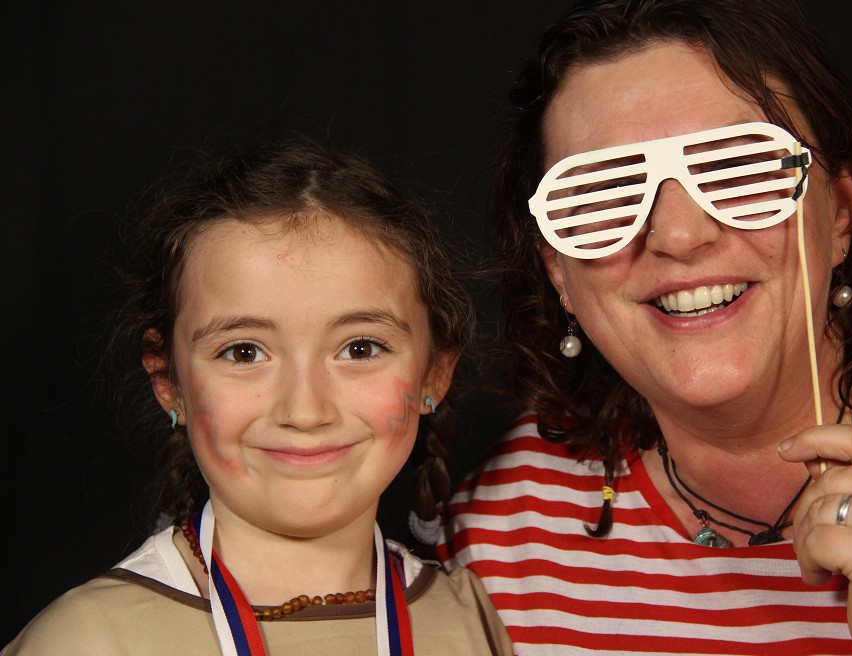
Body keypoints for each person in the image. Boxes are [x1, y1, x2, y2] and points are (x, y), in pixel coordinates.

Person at [437, 0, 852, 654]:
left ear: (838, 212)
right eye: (607, 191)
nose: (678, 235)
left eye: (736, 167)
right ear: (559, 272)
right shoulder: (500, 534)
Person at [3, 132, 514, 655]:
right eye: (244, 352)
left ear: (435, 374)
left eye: (360, 348)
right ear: (168, 382)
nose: (304, 410)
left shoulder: (473, 620)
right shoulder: (86, 640)